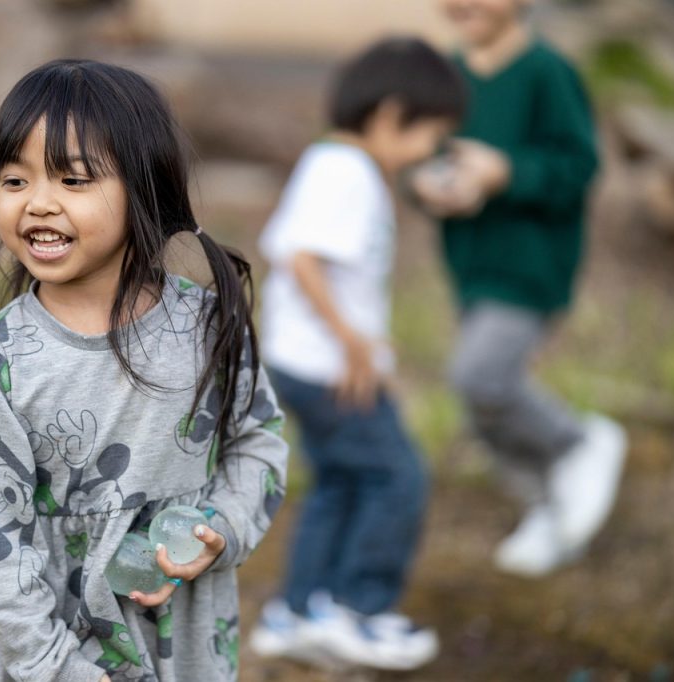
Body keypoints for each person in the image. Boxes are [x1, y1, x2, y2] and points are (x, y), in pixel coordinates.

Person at [0, 59, 288, 682]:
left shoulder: (205, 328)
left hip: (170, 633)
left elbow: (258, 444)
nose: (38, 203)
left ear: (144, 190)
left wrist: (220, 530)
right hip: (36, 638)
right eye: (15, 180)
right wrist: (54, 665)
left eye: (72, 180)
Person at [248, 38, 466, 671]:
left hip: (305, 361)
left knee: (341, 482)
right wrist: (353, 343)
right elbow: (303, 258)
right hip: (329, 368)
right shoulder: (347, 171)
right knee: (396, 477)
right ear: (392, 115)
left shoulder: (332, 162)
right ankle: (358, 611)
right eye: (433, 134)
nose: (432, 151)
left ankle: (299, 609)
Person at [412, 0, 628, 578]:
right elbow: (424, 153)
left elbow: (578, 167)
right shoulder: (446, 77)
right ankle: (547, 508)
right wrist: (430, 185)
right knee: (483, 403)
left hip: (532, 265)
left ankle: (577, 443)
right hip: (470, 264)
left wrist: (505, 171)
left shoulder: (547, 72)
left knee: (480, 377)